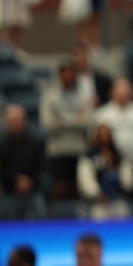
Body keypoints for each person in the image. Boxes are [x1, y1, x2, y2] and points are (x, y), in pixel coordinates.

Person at [41, 61, 94, 201]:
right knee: (59, 186)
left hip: (78, 149)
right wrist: (75, 119)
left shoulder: (83, 95)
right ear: (60, 76)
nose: (68, 77)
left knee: (78, 186)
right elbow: (47, 124)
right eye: (65, 74)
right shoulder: (49, 96)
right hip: (57, 150)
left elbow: (87, 121)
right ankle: (56, 213)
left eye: (71, 74)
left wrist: (61, 119)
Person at [0, 104, 45, 220]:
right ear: (6, 123)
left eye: (18, 120)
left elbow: (41, 166)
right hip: (9, 192)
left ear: (25, 121)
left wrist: (29, 180)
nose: (16, 124)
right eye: (12, 121)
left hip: (32, 190)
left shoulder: (35, 142)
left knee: (39, 207)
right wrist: (16, 180)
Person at [77, 122, 133, 220]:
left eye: (107, 135)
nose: (104, 139)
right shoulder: (89, 158)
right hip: (99, 203)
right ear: (97, 137)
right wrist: (97, 194)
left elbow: (128, 179)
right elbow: (85, 179)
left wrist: (124, 187)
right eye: (102, 136)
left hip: (118, 201)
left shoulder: (119, 156)